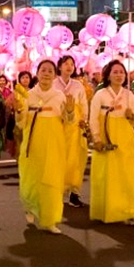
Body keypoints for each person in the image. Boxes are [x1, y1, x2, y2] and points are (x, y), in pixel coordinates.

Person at [15, 59, 75, 234]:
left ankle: (50, 219)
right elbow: (21, 123)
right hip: (33, 144)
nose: (46, 73)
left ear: (54, 75)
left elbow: (68, 121)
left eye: (50, 71)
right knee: (31, 179)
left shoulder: (60, 96)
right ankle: (30, 205)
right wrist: (19, 111)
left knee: (52, 181)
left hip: (54, 144)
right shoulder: (28, 95)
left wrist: (70, 111)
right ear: (37, 73)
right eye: (43, 70)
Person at [89, 59, 134, 225]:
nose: (119, 75)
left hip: (125, 138)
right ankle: (108, 210)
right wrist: (97, 138)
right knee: (107, 176)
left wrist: (131, 117)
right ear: (108, 75)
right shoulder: (100, 94)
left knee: (127, 176)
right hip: (107, 137)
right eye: (115, 72)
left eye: (121, 72)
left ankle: (130, 211)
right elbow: (93, 119)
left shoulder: (129, 95)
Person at [54, 55, 89, 208]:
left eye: (72, 64)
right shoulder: (53, 84)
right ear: (59, 66)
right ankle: (57, 191)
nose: (69, 66)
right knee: (59, 159)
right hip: (58, 126)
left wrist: (84, 120)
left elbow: (83, 104)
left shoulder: (78, 86)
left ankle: (74, 192)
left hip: (75, 127)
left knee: (76, 160)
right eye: (66, 64)